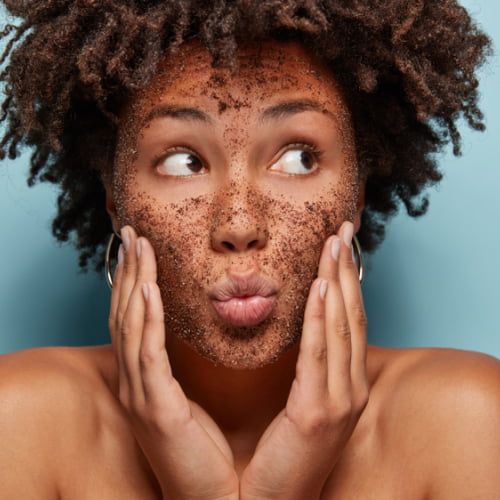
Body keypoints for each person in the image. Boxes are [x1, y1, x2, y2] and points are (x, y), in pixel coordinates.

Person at [0, 1, 498, 499]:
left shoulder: (467, 420)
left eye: (299, 158)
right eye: (182, 161)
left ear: (358, 190)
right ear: (116, 198)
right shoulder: (19, 421)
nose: (239, 224)